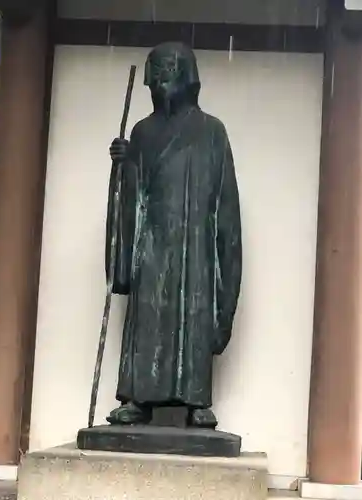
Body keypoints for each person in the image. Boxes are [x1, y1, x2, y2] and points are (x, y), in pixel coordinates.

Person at [106, 42, 242, 429]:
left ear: (187, 75)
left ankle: (195, 398)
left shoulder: (212, 131)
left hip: (195, 243)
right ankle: (138, 398)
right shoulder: (142, 132)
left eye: (169, 69)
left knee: (194, 314)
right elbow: (136, 193)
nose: (161, 78)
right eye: (157, 71)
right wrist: (125, 164)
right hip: (152, 242)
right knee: (147, 312)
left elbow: (224, 200)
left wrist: (225, 267)